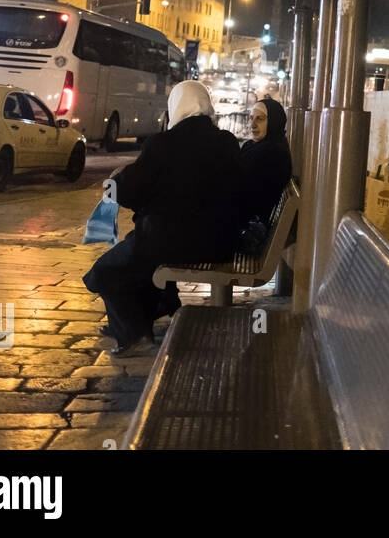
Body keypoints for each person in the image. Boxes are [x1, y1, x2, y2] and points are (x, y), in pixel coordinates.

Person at [82, 80, 243, 354]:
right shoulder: (227, 142)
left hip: (171, 241)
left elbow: (132, 190)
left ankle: (134, 333)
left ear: (176, 107)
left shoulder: (164, 143)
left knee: (103, 273)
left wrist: (117, 179)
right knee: (143, 262)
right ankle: (158, 309)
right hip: (221, 243)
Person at [240, 97, 293, 226]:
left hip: (249, 224)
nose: (252, 125)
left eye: (260, 119)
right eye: (251, 118)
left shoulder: (272, 153)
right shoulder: (260, 146)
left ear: (274, 122)